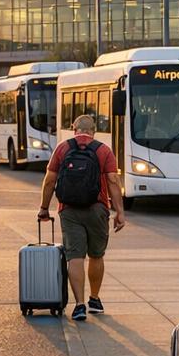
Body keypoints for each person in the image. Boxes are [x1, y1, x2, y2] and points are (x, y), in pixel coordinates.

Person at [38, 114, 126, 321]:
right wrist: (119, 212)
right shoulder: (103, 150)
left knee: (75, 257)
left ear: (73, 128)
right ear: (93, 130)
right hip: (97, 208)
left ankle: (79, 306)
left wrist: (44, 208)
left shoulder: (62, 148)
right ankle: (94, 299)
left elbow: (50, 180)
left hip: (68, 209)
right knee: (96, 255)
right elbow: (113, 181)